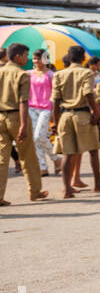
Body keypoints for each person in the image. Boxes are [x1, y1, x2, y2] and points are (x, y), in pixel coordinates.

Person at [52, 45, 100, 198]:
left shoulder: (59, 74)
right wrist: (98, 115)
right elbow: (89, 95)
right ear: (83, 58)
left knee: (68, 154)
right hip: (82, 115)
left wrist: (55, 121)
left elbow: (55, 101)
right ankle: (98, 183)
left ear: (68, 57)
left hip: (65, 116)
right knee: (93, 150)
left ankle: (66, 188)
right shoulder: (86, 73)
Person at [0, 44, 49, 205]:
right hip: (16, 116)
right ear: (17, 57)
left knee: (2, 159)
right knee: (28, 156)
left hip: (1, 117)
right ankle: (35, 191)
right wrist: (22, 125)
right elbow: (23, 102)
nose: (27, 59)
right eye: (25, 55)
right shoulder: (21, 75)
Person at [27, 49, 58, 175]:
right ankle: (43, 167)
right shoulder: (28, 73)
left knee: (38, 136)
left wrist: (55, 113)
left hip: (46, 108)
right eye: (34, 58)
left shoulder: (51, 75)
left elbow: (56, 95)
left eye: (38, 58)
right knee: (36, 139)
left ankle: (56, 159)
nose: (36, 61)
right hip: (31, 108)